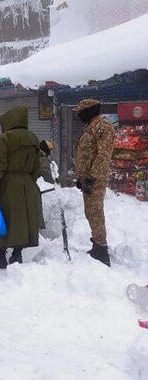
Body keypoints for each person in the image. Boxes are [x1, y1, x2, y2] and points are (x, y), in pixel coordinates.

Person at [0, 106, 41, 269]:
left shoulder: (5, 138)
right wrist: (28, 181)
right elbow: (37, 165)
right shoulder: (33, 138)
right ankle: (16, 255)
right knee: (22, 219)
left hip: (8, 183)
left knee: (3, 216)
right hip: (27, 183)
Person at [74, 98, 115, 267]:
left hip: (95, 180)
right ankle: (97, 244)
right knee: (90, 212)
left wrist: (91, 177)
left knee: (95, 212)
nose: (79, 115)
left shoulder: (103, 127)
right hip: (88, 179)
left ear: (90, 111)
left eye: (81, 112)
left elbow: (103, 155)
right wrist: (81, 177)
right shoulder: (91, 126)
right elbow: (87, 154)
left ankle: (102, 250)